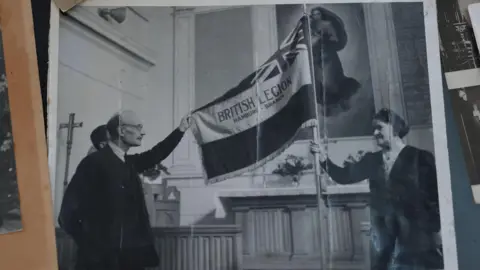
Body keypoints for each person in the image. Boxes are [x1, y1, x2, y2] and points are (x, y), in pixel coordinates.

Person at [310, 108, 443, 270]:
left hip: (416, 235)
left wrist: (437, 230)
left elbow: (434, 195)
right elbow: (344, 176)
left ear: (394, 128)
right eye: (373, 128)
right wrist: (324, 160)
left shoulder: (420, 158)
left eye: (379, 127)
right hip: (384, 235)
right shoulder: (372, 160)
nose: (374, 133)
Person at [58, 110, 191, 270]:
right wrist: (91, 247)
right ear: (121, 131)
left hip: (129, 260)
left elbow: (156, 154)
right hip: (100, 262)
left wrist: (180, 130)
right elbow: (67, 215)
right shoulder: (93, 163)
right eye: (138, 127)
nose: (143, 132)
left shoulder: (128, 163)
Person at [309, 6, 361, 116]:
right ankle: (327, 105)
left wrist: (324, 39)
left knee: (332, 77)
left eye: (317, 14)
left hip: (328, 55)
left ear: (321, 15)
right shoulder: (310, 26)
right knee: (320, 79)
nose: (316, 16)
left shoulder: (327, 25)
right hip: (316, 56)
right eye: (314, 15)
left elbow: (335, 39)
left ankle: (342, 100)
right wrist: (314, 41)